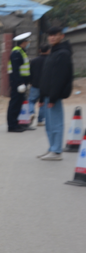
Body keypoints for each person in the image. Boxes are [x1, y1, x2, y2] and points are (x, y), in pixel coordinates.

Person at [38, 26, 73, 161]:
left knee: (56, 123)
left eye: (55, 35)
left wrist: (53, 97)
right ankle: (51, 148)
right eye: (50, 35)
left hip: (54, 96)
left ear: (61, 36)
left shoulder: (63, 53)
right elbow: (46, 76)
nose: (52, 37)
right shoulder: (53, 52)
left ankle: (57, 151)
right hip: (47, 95)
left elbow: (60, 77)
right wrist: (42, 96)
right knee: (49, 124)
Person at [6, 32, 31, 132]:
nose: (28, 43)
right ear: (23, 42)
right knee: (15, 104)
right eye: (27, 41)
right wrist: (20, 83)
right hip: (17, 82)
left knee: (19, 103)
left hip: (21, 82)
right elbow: (15, 70)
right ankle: (12, 126)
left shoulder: (21, 51)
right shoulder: (16, 53)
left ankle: (16, 123)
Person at [28, 44, 50, 127]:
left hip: (35, 84)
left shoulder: (34, 61)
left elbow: (30, 72)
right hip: (46, 86)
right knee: (43, 103)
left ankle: (31, 113)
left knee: (31, 100)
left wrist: (30, 82)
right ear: (48, 51)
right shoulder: (50, 60)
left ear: (39, 50)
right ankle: (40, 121)